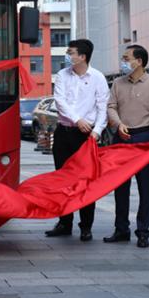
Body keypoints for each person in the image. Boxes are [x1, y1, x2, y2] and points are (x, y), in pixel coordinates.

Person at [105, 45, 149, 248]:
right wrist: (118, 124)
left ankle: (143, 232)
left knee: (145, 187)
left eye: (127, 58)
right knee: (120, 187)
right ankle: (121, 229)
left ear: (139, 61)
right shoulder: (118, 83)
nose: (123, 61)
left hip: (144, 138)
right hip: (121, 138)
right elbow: (111, 107)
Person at [45, 39, 109, 241]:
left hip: (86, 135)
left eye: (70, 52)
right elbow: (60, 101)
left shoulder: (98, 77)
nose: (67, 55)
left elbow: (103, 107)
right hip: (64, 132)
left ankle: (86, 226)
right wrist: (77, 119)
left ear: (82, 56)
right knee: (63, 180)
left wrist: (96, 131)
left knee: (85, 181)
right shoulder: (63, 75)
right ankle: (64, 222)